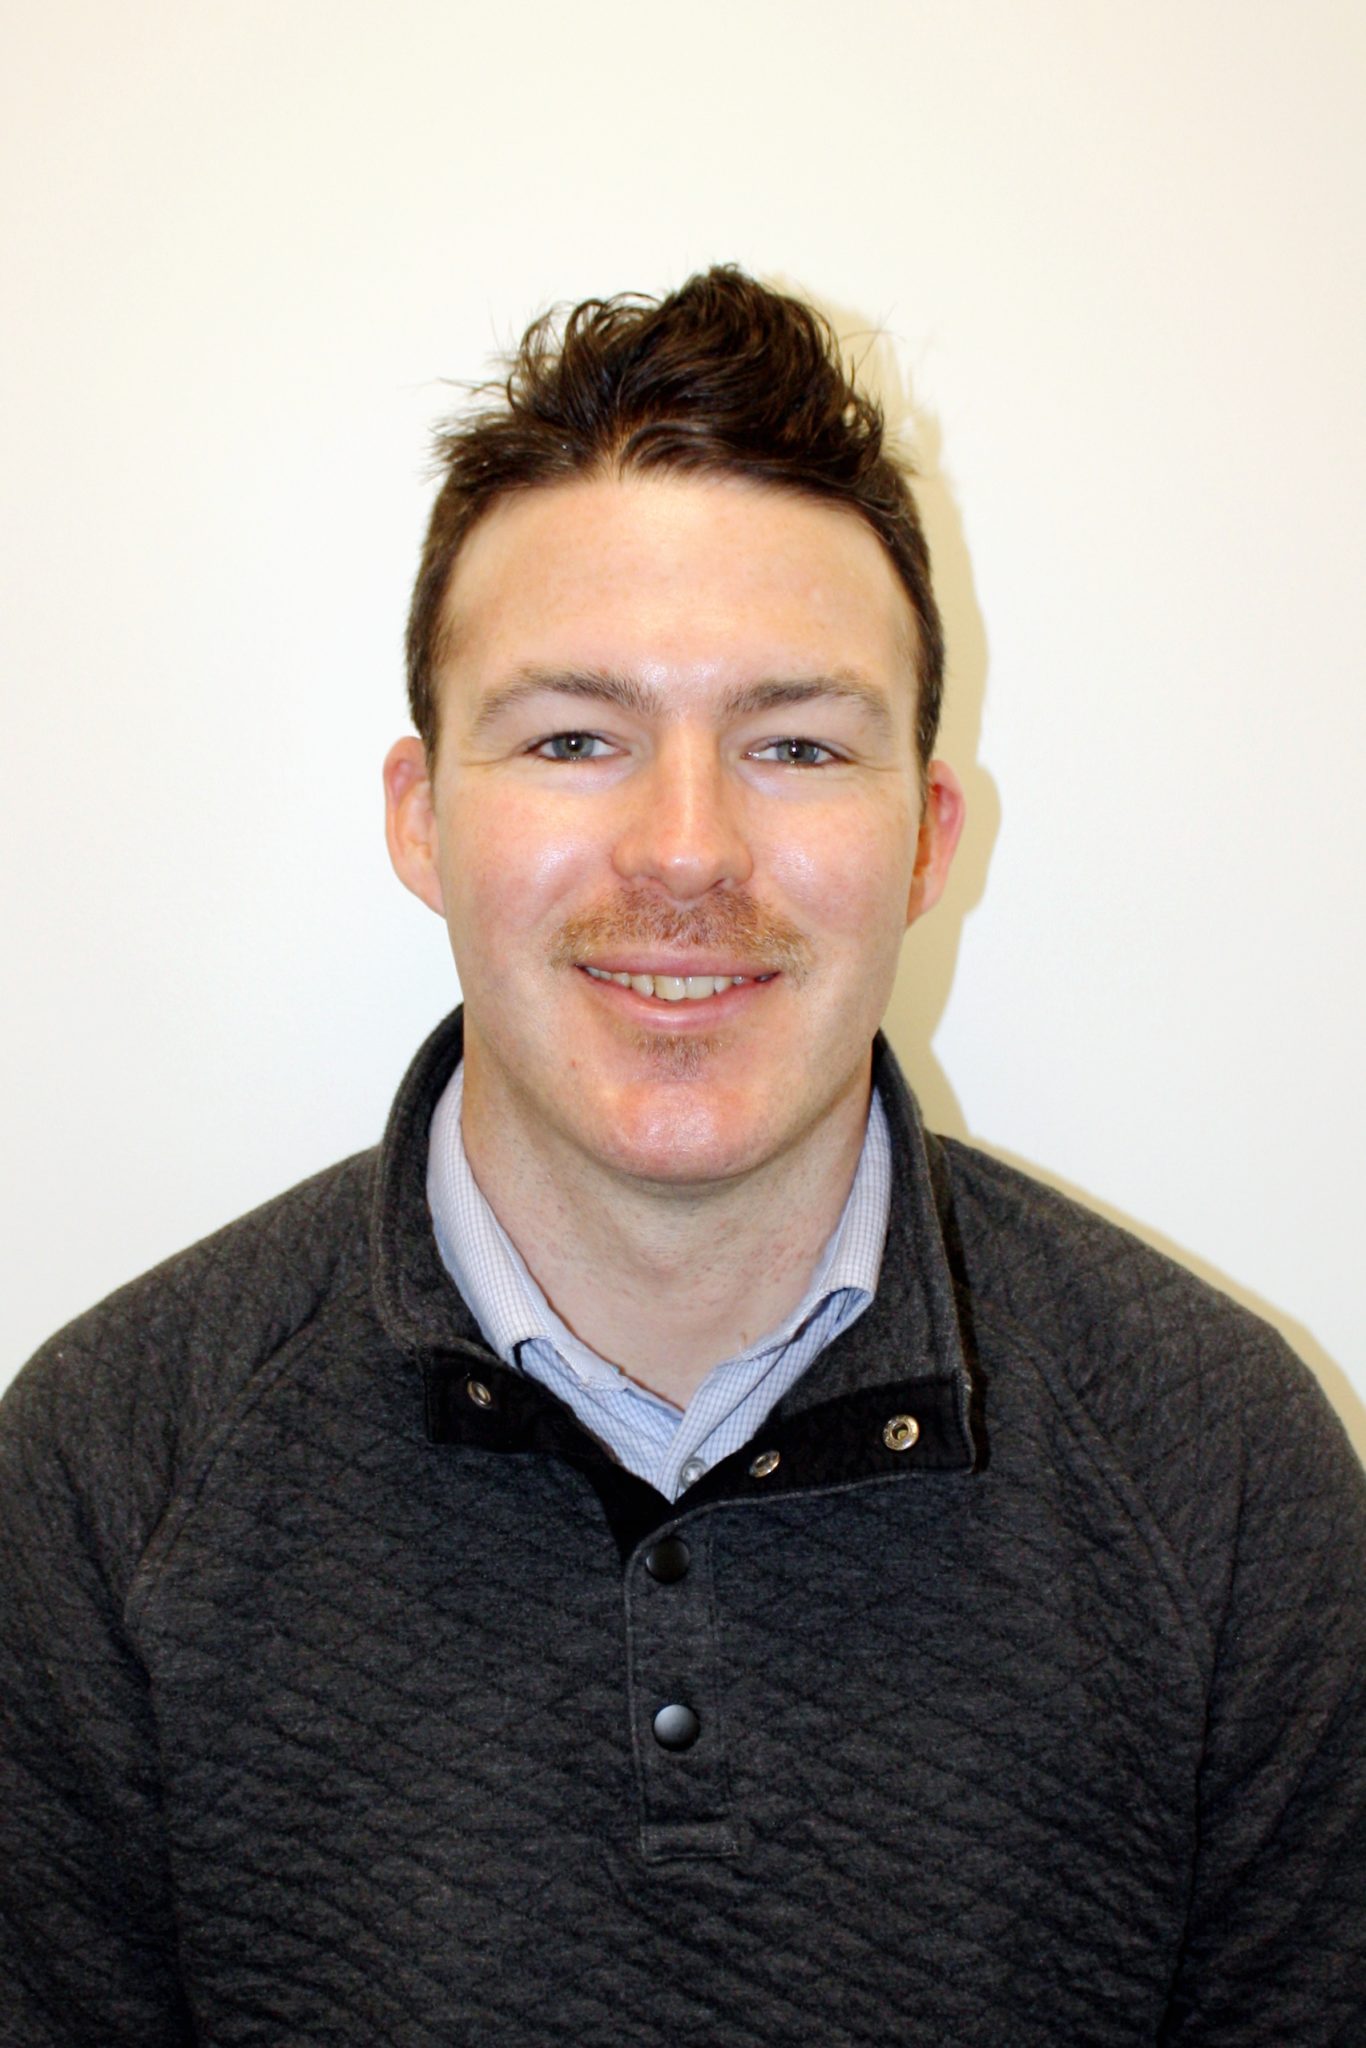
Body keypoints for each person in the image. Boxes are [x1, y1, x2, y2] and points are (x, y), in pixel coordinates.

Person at [1, 268, 1362, 2047]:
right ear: (421, 816)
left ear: (925, 836)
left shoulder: (1227, 1475)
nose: (687, 850)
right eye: (575, 738)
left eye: (795, 743)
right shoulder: (105, 1474)